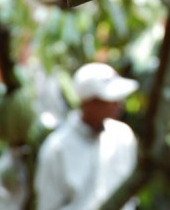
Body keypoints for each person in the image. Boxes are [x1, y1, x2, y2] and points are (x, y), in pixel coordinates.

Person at [35, 62, 139, 210]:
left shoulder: (123, 137)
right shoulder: (56, 149)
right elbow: (48, 204)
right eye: (109, 100)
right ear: (89, 103)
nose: (118, 104)